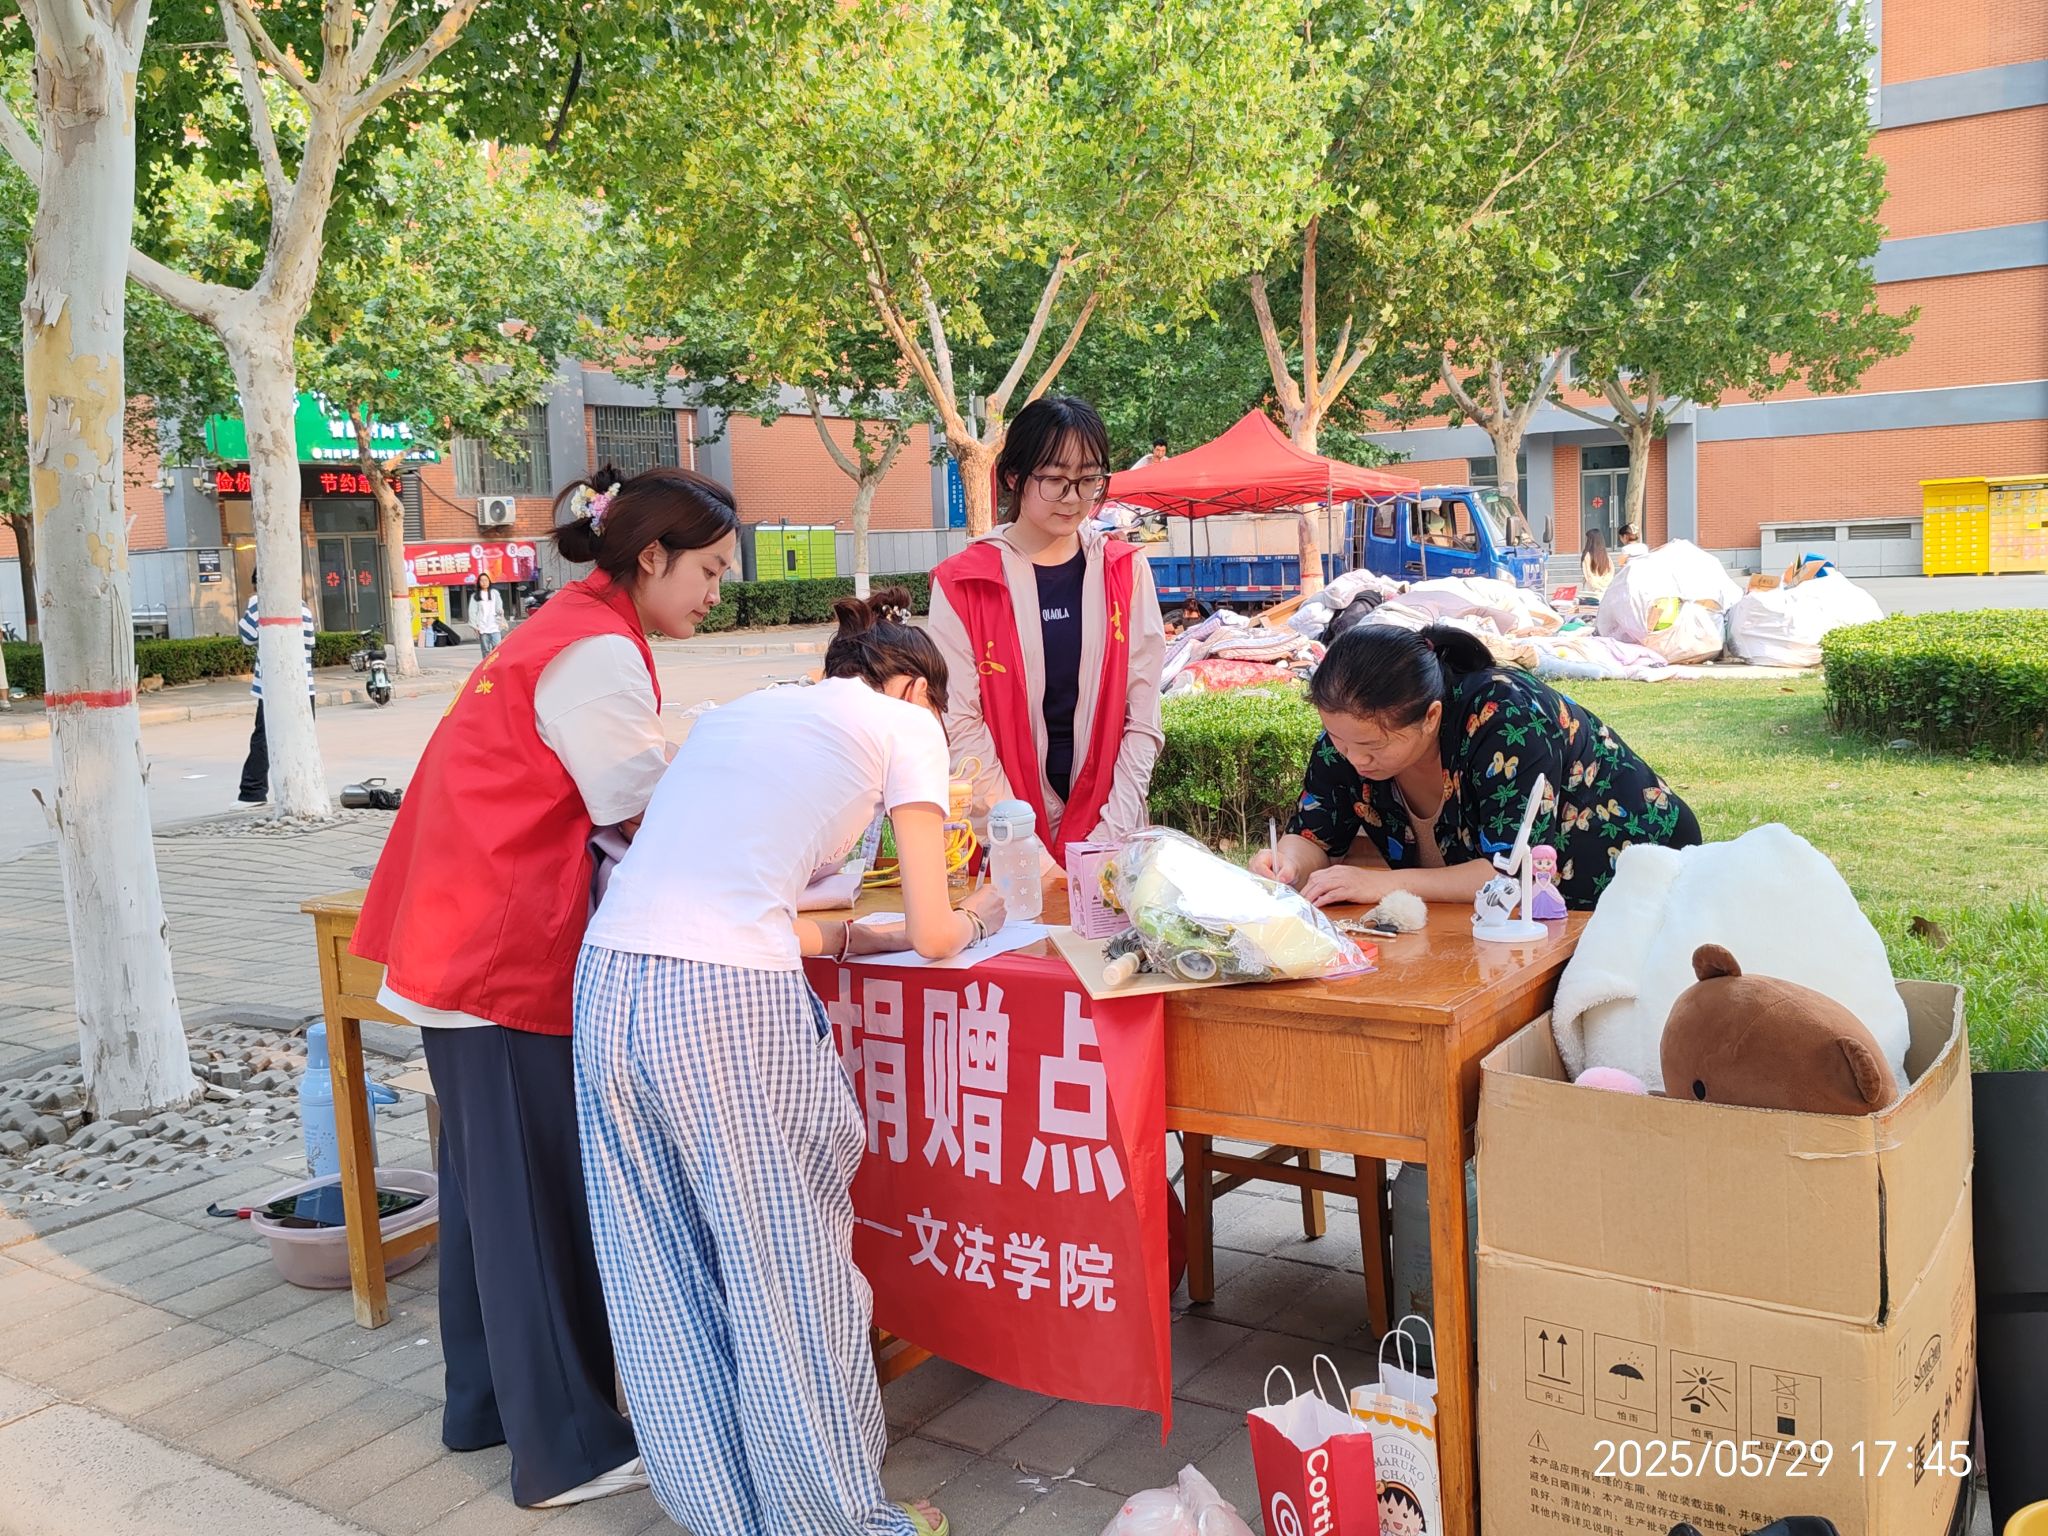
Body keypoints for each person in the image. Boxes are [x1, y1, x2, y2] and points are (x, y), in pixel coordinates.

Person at [350, 464, 739, 1509]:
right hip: (497, 948)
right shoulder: (596, 647)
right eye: (708, 570)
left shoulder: (571, 625)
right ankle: (566, 1450)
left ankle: (485, 1406)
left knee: (488, 1199)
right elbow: (635, 806)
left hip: (459, 936)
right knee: (530, 1203)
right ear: (650, 557)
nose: (718, 590)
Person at [575, 590, 1004, 1536]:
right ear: (913, 689)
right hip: (723, 1006)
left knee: (659, 1272)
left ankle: (724, 1516)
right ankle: (833, 1522)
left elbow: (750, 898)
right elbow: (940, 932)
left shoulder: (749, 710)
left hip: (609, 982)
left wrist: (860, 936)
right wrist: (984, 916)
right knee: (790, 1275)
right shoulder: (906, 725)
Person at [1252, 623, 1701, 911]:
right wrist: (1288, 863)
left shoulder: (1505, 718)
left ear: (1431, 717)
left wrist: (1380, 885)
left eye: (1371, 746)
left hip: (1635, 882)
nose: (1353, 759)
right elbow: (1314, 835)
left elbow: (1511, 872)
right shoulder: (1347, 742)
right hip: (1508, 916)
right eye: (1337, 738)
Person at [930, 395, 1167, 863]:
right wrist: (1024, 846)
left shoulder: (1125, 572)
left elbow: (1142, 718)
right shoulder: (962, 583)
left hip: (1108, 820)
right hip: (1002, 826)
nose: (1074, 498)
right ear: (1014, 477)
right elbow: (959, 724)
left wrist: (1111, 832)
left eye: (1088, 480)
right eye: (1056, 480)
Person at [236, 582, 317, 806]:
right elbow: (311, 642)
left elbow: (247, 636)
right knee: (302, 740)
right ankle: (305, 789)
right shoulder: (303, 607)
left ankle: (252, 792)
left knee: (263, 739)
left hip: (274, 685)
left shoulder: (261, 603)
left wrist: (253, 604)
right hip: (304, 684)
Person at [471, 571, 506, 658]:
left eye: (486, 580)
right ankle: (486, 665)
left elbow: (499, 606)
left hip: (495, 625)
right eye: (482, 580)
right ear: (479, 582)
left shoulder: (495, 593)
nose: (484, 582)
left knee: (497, 648)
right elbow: (472, 611)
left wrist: (500, 611)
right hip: (482, 627)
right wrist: (475, 626)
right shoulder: (475, 595)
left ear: (489, 581)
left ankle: (496, 665)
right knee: (485, 650)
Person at [1580, 529, 1615, 599]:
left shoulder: (1587, 556)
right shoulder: (1606, 556)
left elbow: (1588, 575)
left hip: (1591, 591)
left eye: (1587, 539)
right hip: (1605, 590)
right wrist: (1603, 586)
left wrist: (1596, 586)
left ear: (1590, 541)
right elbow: (1611, 573)